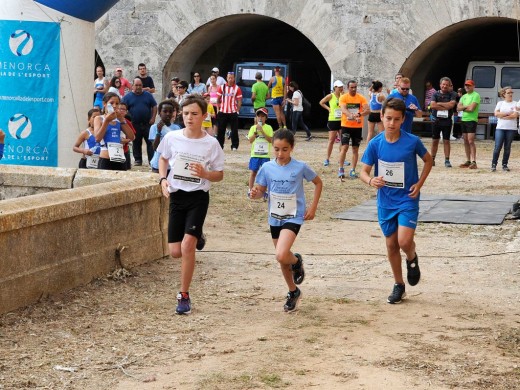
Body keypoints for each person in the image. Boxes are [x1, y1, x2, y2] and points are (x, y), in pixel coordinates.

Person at [360, 98, 433, 304]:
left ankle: (411, 257)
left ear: (403, 120)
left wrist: (419, 184)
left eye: (396, 119)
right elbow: (363, 172)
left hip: (407, 199)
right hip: (386, 201)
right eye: (388, 118)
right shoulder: (375, 143)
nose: (391, 123)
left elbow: (428, 160)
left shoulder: (412, 141)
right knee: (391, 245)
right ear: (381, 116)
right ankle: (399, 285)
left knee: (404, 241)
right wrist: (371, 180)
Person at [157, 94, 225, 315]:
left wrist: (206, 173)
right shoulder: (172, 137)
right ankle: (197, 236)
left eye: (194, 114)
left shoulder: (211, 143)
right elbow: (163, 158)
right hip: (177, 197)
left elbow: (219, 175)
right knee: (176, 251)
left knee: (187, 246)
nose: (189, 118)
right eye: (186, 113)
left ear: (204, 116)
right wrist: (162, 179)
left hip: (197, 197)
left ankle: (183, 295)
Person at [249, 129, 322, 312]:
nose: (280, 154)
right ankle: (293, 291)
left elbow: (318, 182)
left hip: (293, 216)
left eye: (285, 149)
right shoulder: (267, 168)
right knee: (282, 260)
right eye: (276, 149)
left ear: (292, 148)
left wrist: (312, 208)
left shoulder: (300, 167)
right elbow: (261, 191)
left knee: (282, 255)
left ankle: (296, 261)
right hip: (275, 217)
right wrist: (255, 194)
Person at [93, 92, 136, 171]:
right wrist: (106, 121)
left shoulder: (119, 120)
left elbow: (132, 137)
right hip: (106, 156)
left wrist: (122, 120)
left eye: (117, 103)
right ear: (104, 104)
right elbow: (97, 138)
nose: (114, 106)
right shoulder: (99, 118)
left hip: (119, 156)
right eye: (111, 103)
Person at [122, 78, 157, 166]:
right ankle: (138, 160)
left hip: (147, 123)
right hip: (134, 124)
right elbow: (122, 108)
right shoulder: (127, 97)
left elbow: (154, 106)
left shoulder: (148, 95)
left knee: (150, 142)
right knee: (136, 142)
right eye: (136, 85)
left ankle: (151, 160)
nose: (138, 87)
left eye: (140, 85)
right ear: (132, 86)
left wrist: (153, 118)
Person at [338, 80, 369, 179]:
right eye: (352, 87)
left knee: (355, 149)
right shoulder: (343, 97)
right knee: (344, 147)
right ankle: (341, 168)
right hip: (346, 126)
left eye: (355, 87)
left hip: (357, 127)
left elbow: (368, 110)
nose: (354, 89)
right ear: (348, 88)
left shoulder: (361, 98)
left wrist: (359, 114)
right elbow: (343, 109)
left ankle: (353, 169)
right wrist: (351, 115)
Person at [430, 77, 457, 168]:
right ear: (440, 85)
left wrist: (439, 104)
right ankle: (432, 159)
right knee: (435, 141)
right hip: (436, 120)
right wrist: (445, 105)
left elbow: (451, 105)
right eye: (443, 84)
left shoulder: (452, 94)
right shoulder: (435, 94)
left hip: (447, 121)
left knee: (446, 140)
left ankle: (447, 160)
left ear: (449, 86)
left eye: (446, 85)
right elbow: (432, 105)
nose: (444, 86)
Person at [149, 99, 181, 173]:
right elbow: (155, 147)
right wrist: (158, 132)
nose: (167, 114)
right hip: (158, 164)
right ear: (160, 113)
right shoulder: (154, 127)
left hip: (172, 164)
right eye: (165, 111)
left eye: (170, 112)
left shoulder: (176, 128)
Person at [247, 107, 273, 196]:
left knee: (266, 174)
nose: (260, 118)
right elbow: (250, 140)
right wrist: (256, 133)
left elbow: (270, 140)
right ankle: (250, 190)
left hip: (265, 155)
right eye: (258, 116)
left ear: (266, 118)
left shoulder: (269, 127)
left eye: (262, 116)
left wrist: (262, 131)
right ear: (256, 117)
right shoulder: (253, 128)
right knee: (253, 172)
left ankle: (264, 191)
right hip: (255, 154)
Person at [491, 86, 518, 172]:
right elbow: (496, 114)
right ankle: (494, 164)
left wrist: (503, 115)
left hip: (511, 128)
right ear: (504, 94)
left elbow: (515, 115)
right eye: (508, 93)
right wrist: (508, 114)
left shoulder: (516, 103)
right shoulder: (500, 103)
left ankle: (504, 164)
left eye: (511, 92)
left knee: (507, 147)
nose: (511, 94)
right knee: (497, 146)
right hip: (500, 128)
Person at [456, 80, 480, 169]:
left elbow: (472, 109)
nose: (467, 87)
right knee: (465, 140)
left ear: (473, 86)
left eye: (469, 85)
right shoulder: (463, 96)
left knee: (471, 140)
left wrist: (463, 108)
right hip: (464, 119)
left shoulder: (476, 95)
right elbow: (458, 108)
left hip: (472, 120)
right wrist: (466, 107)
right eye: (466, 85)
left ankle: (474, 161)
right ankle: (468, 160)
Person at [319, 80, 344, 166]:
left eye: (342, 87)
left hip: (342, 120)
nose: (341, 88)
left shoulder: (343, 96)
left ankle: (341, 159)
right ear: (335, 87)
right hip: (333, 119)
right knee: (331, 140)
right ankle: (327, 159)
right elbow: (321, 102)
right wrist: (328, 109)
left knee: (343, 140)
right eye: (339, 87)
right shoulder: (331, 95)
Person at [216, 71, 242, 150]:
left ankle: (234, 146)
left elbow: (239, 100)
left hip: (233, 112)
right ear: (227, 78)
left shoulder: (237, 88)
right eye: (229, 78)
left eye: (232, 78)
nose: (230, 79)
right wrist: (218, 109)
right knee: (221, 130)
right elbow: (218, 99)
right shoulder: (221, 87)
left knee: (234, 130)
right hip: (223, 111)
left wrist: (237, 110)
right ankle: (220, 146)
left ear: (234, 79)